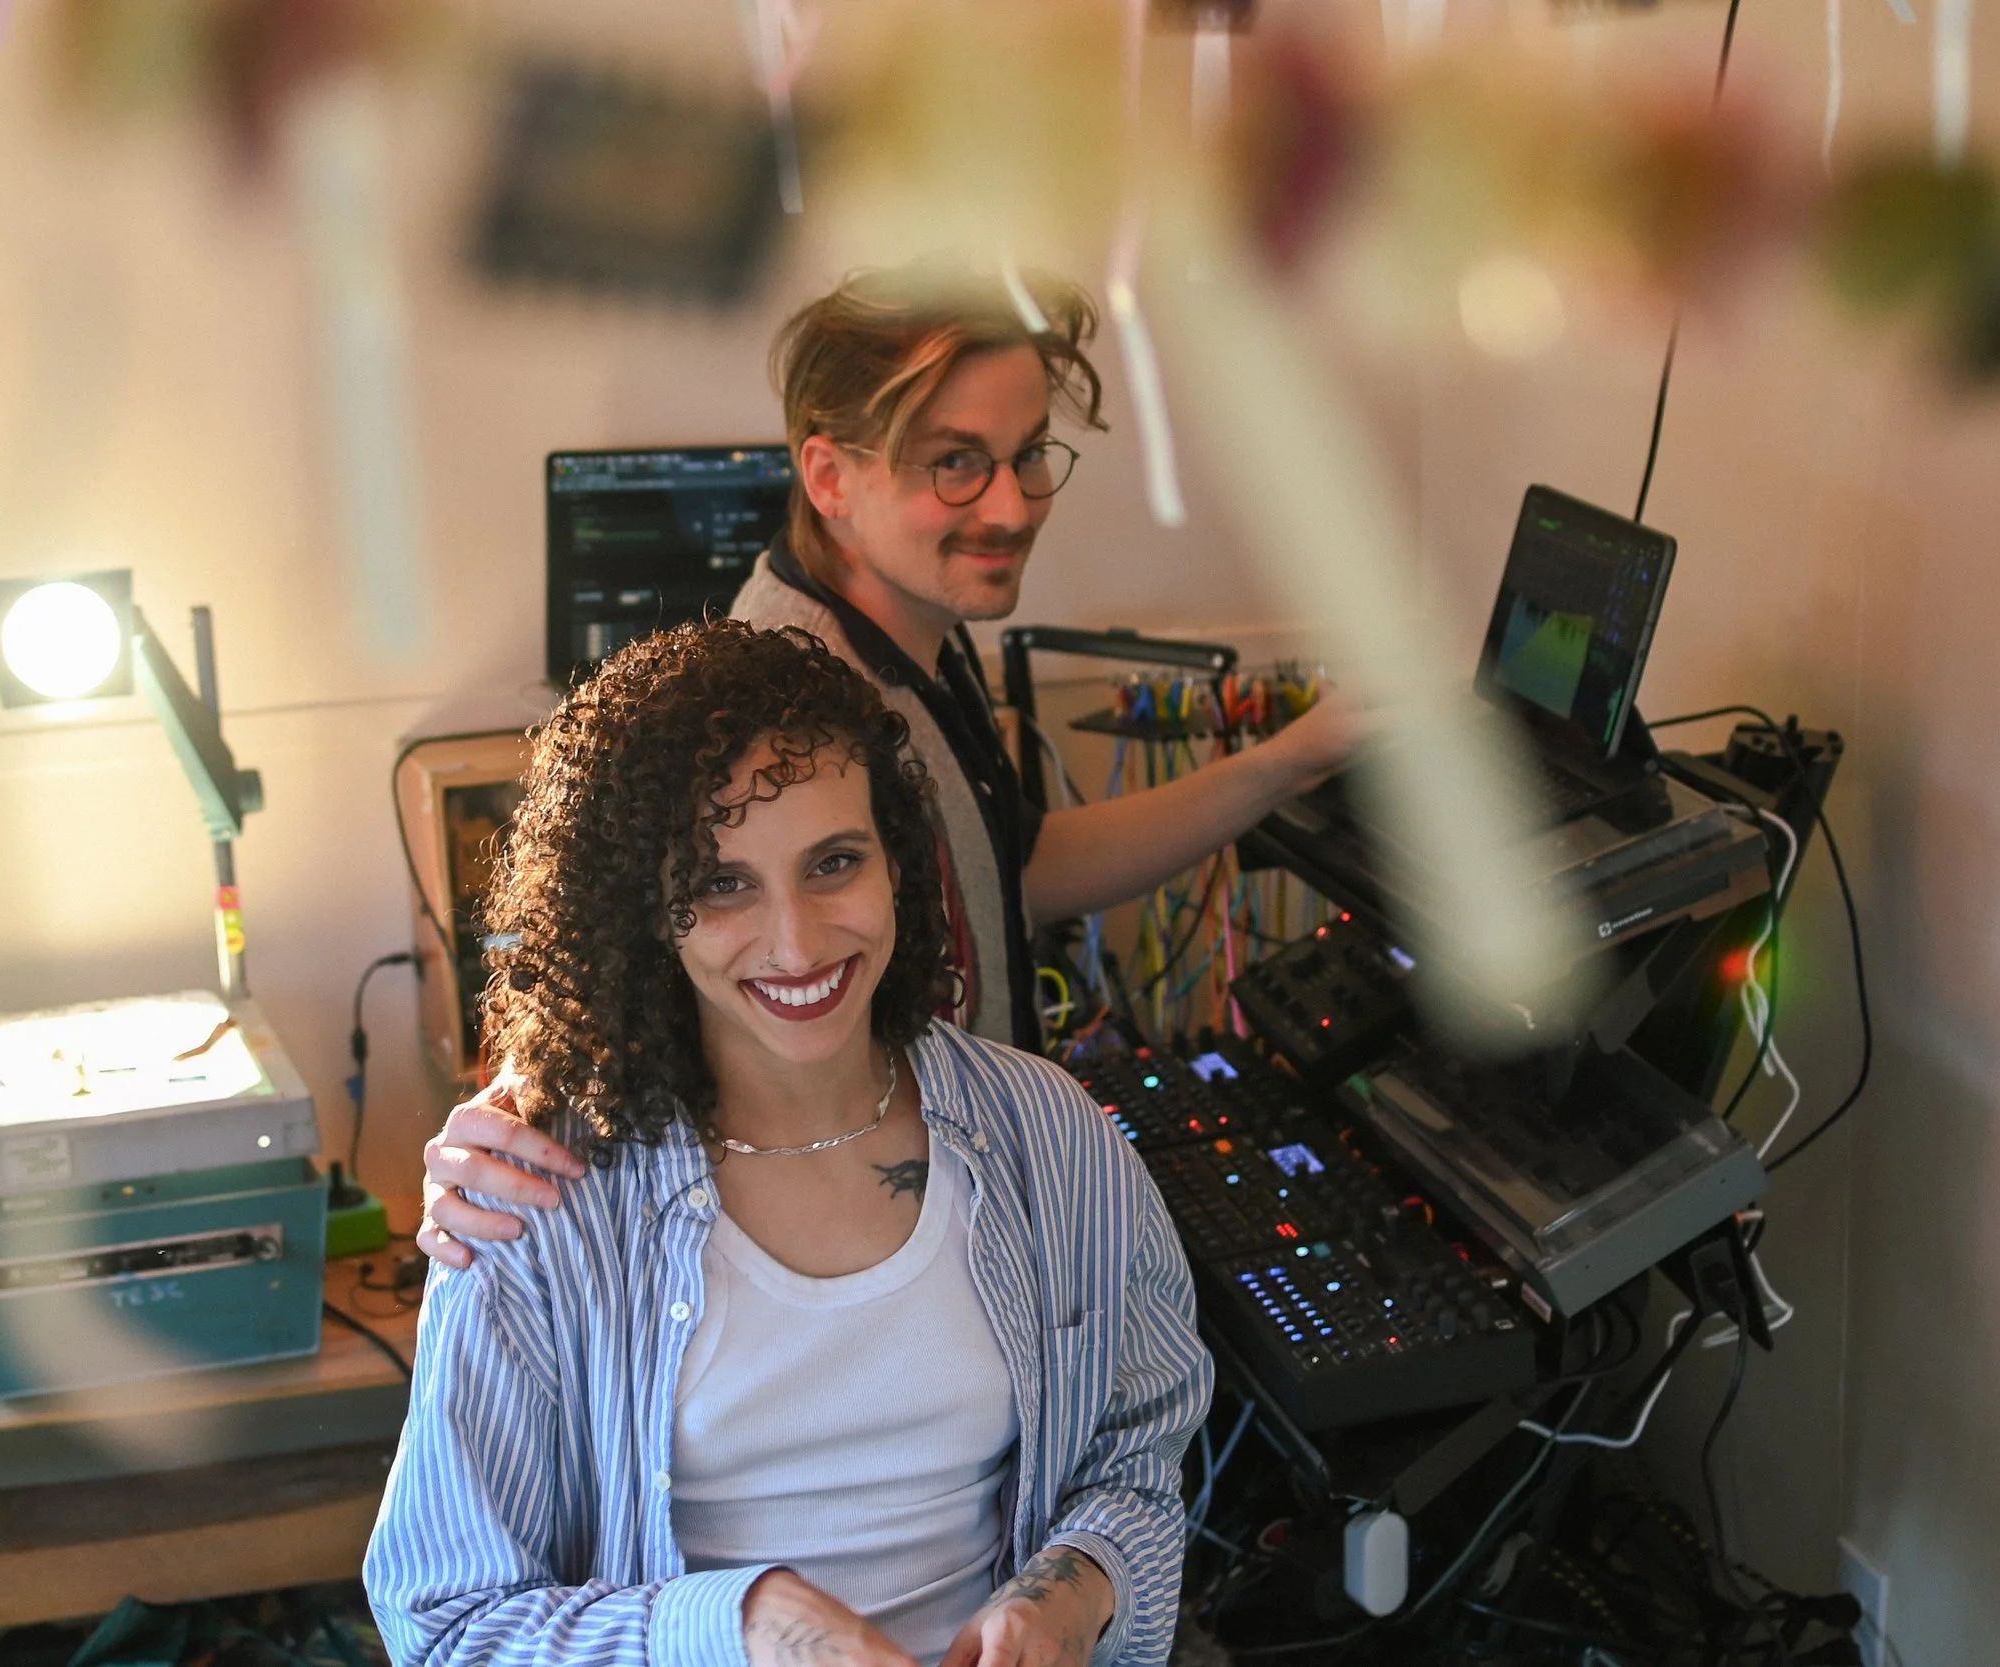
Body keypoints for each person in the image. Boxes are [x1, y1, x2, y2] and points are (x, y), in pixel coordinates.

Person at [419, 260, 1356, 1264]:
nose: (1009, 507)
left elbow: (1017, 866)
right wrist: (512, 1120)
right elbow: (642, 975)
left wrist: (1290, 760)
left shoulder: (913, 628)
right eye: (954, 462)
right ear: (830, 478)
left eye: (1026, 454)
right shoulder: (804, 712)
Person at [364, 621, 1211, 1667]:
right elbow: (446, 1625)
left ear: (899, 863)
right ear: (645, 909)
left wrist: (1069, 1593)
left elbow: (1138, 1450)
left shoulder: (1049, 1133)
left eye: (834, 862)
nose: (799, 941)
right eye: (723, 883)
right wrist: (747, 1625)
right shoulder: (533, 1194)